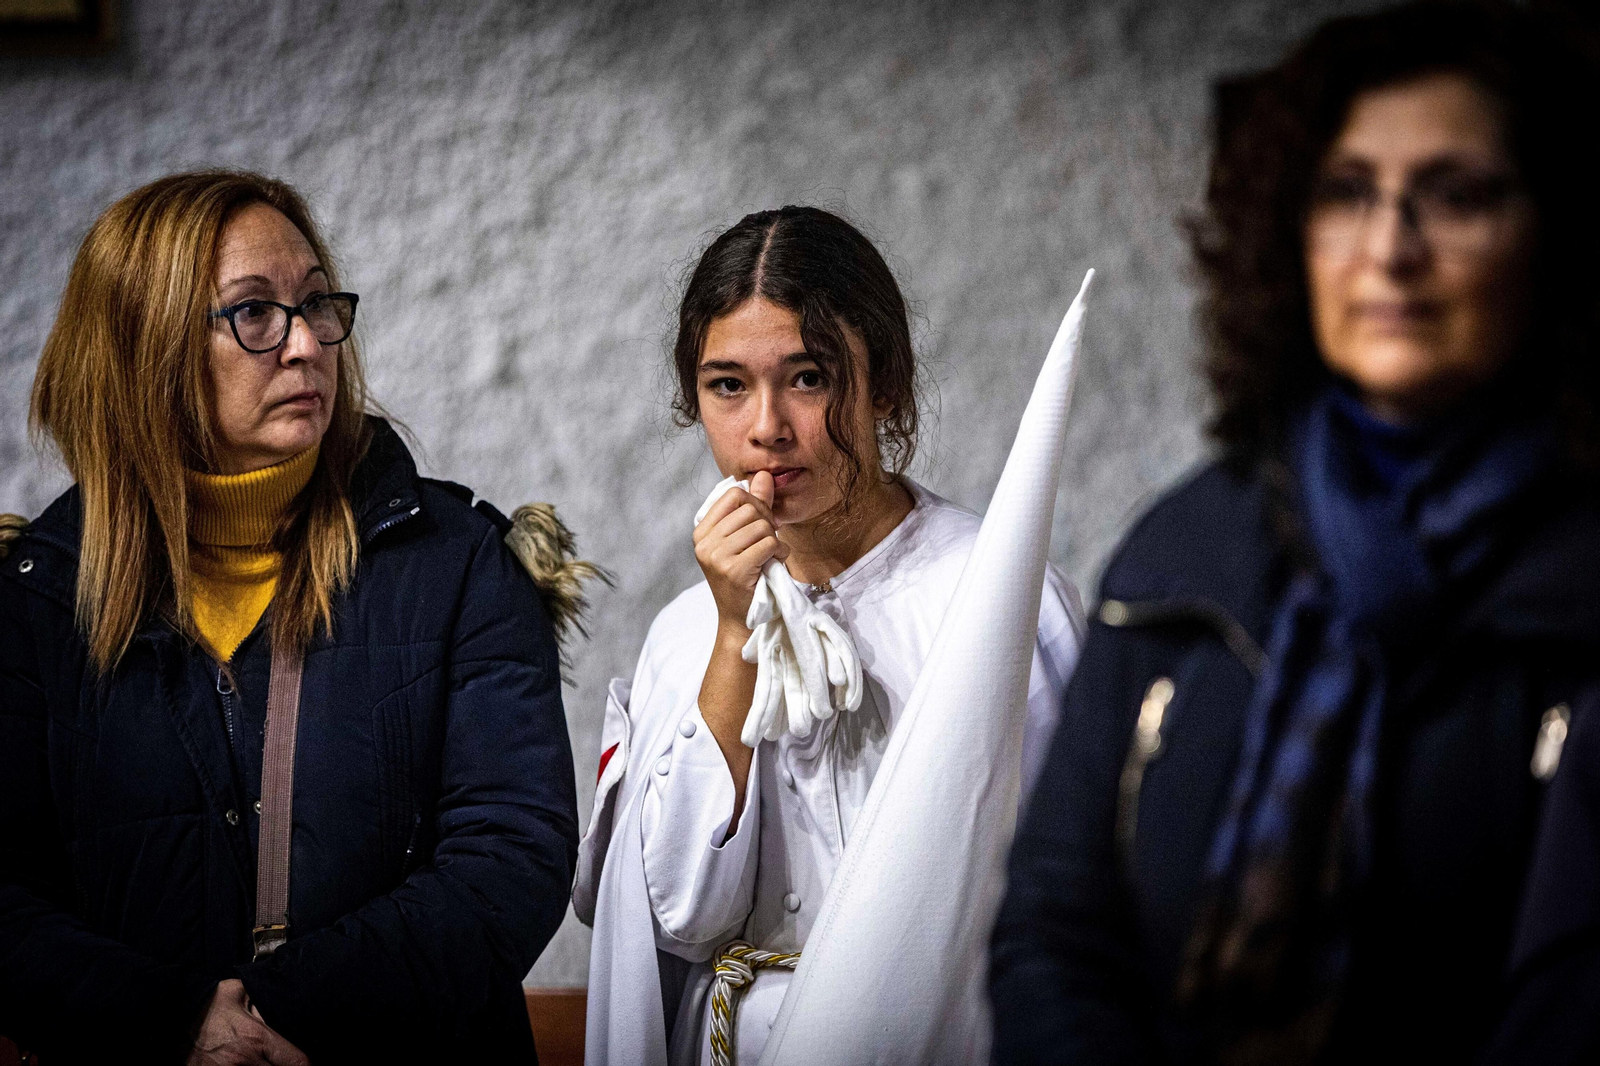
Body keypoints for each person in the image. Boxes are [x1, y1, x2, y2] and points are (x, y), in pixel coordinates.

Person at [990, 3, 1600, 1063]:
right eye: (1346, 193)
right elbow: (1055, 920)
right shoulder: (1184, 548)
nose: (1390, 248)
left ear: (1559, 231)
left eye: (1457, 196)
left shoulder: (1581, 582)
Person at [0, 171, 582, 1064]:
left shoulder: (457, 562)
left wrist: (277, 1018)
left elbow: (511, 855)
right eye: (255, 313)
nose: (307, 343)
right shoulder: (37, 596)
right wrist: (173, 1026)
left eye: (316, 304)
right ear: (146, 344)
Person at [576, 206, 1084, 1065]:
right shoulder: (684, 632)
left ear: (883, 383)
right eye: (727, 385)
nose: (766, 426)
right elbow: (683, 917)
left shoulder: (998, 598)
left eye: (808, 378)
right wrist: (734, 633)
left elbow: (1076, 889)